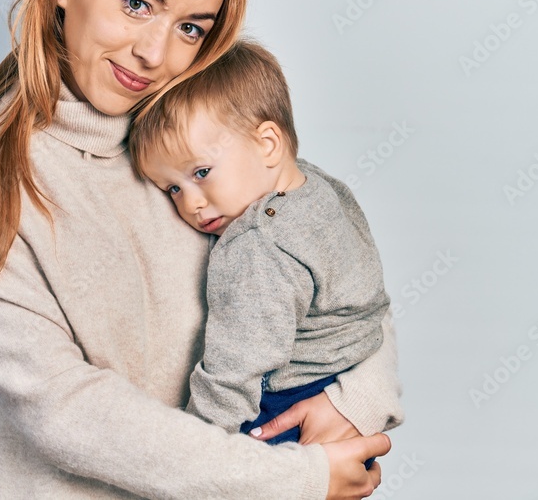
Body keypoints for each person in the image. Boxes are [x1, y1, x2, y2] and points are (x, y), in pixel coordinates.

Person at [0, 0, 402, 499]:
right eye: (136, 3)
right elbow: (61, 409)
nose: (153, 53)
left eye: (190, 27)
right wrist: (292, 479)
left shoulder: (191, 127)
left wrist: (357, 400)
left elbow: (337, 272)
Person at [127, 40, 394, 471]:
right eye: (173, 188)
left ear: (268, 143)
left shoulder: (256, 245)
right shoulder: (321, 187)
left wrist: (194, 455)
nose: (191, 203)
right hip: (346, 385)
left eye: (200, 173)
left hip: (283, 409)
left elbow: (234, 370)